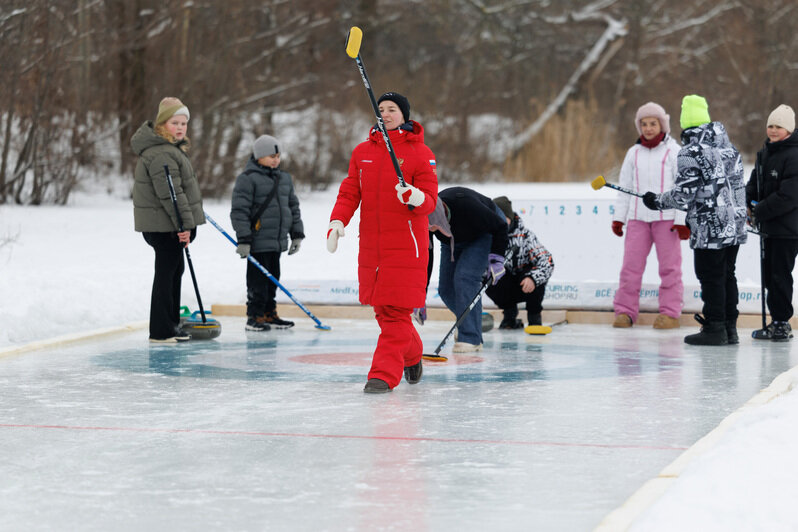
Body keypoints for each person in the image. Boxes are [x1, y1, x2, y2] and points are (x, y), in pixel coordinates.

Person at [326, 92, 438, 393]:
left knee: (396, 312)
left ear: (404, 115)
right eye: (381, 109)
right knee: (384, 311)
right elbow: (350, 192)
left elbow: (430, 200)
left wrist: (416, 197)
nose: (386, 114)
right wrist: (338, 221)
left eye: (392, 109)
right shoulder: (362, 151)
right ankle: (412, 355)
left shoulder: (420, 152)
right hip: (373, 248)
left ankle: (383, 375)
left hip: (408, 246)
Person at [643, 94, 747, 345]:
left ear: (684, 122)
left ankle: (714, 328)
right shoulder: (729, 148)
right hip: (733, 225)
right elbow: (738, 187)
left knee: (710, 276)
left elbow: (683, 195)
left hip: (709, 228)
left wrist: (656, 201)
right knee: (727, 274)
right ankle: (729, 328)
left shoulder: (691, 151)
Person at [131, 97, 205, 343]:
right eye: (175, 122)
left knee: (174, 270)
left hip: (167, 223)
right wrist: (184, 225)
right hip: (164, 225)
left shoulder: (170, 150)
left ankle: (170, 324)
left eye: (184, 123)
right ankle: (161, 330)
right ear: (162, 124)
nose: (181, 127)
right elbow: (171, 194)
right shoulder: (162, 154)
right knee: (167, 272)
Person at [612, 102, 687, 330]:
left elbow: (683, 188)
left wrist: (682, 221)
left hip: (667, 220)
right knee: (630, 268)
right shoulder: (633, 153)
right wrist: (619, 218)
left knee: (670, 268)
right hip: (637, 219)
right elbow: (625, 186)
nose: (648, 128)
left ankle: (670, 313)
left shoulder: (674, 151)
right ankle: (625, 312)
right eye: (644, 124)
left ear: (662, 124)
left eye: (653, 123)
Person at [230, 135, 304, 332]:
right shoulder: (247, 179)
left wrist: (297, 234)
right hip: (257, 240)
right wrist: (244, 239)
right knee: (257, 283)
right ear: (259, 156)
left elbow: (293, 207)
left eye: (278, 156)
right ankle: (255, 315)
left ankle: (270, 313)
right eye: (271, 156)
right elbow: (239, 211)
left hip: (277, 240)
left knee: (273, 279)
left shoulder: (284, 178)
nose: (276, 160)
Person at [429, 187, 509, 352]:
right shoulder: (426, 217)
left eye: (433, 227)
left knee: (465, 277)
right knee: (446, 289)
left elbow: (500, 226)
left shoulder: (468, 207)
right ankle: (468, 323)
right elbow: (426, 256)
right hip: (453, 239)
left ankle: (471, 338)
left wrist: (497, 260)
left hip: (483, 232)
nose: (430, 231)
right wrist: (420, 294)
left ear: (441, 218)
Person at [746, 104, 798, 341]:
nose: (773, 130)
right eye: (770, 126)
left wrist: (761, 211)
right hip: (768, 228)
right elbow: (753, 183)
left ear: (789, 129)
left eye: (779, 126)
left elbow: (789, 195)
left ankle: (781, 322)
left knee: (779, 275)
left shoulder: (794, 154)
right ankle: (774, 320)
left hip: (787, 230)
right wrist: (749, 202)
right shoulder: (764, 153)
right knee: (769, 276)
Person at [487, 196, 554, 329]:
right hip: (505, 284)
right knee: (491, 276)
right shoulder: (487, 238)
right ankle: (509, 314)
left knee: (534, 275)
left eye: (502, 217)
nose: (499, 222)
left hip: (525, 284)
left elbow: (547, 261)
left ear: (510, 218)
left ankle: (534, 317)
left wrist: (533, 278)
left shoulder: (526, 236)